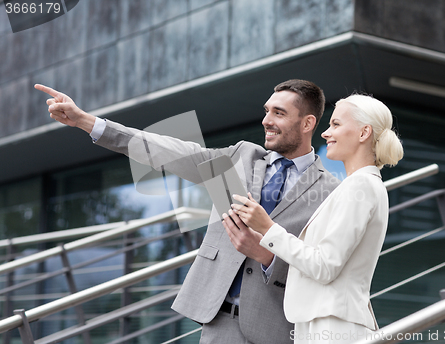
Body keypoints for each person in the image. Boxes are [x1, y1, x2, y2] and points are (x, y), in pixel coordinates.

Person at [34, 80, 340, 344]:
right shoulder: (241, 157)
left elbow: (323, 268)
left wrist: (268, 257)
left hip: (276, 330)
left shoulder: (329, 191)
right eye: (266, 110)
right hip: (218, 324)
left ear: (308, 123)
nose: (266, 120)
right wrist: (88, 122)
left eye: (279, 113)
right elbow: (168, 151)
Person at [223, 94, 404, 343]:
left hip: (332, 327)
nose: (325, 133)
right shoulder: (357, 186)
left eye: (336, 124)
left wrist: (268, 228)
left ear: (364, 133)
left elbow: (325, 266)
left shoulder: (359, 187)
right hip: (324, 322)